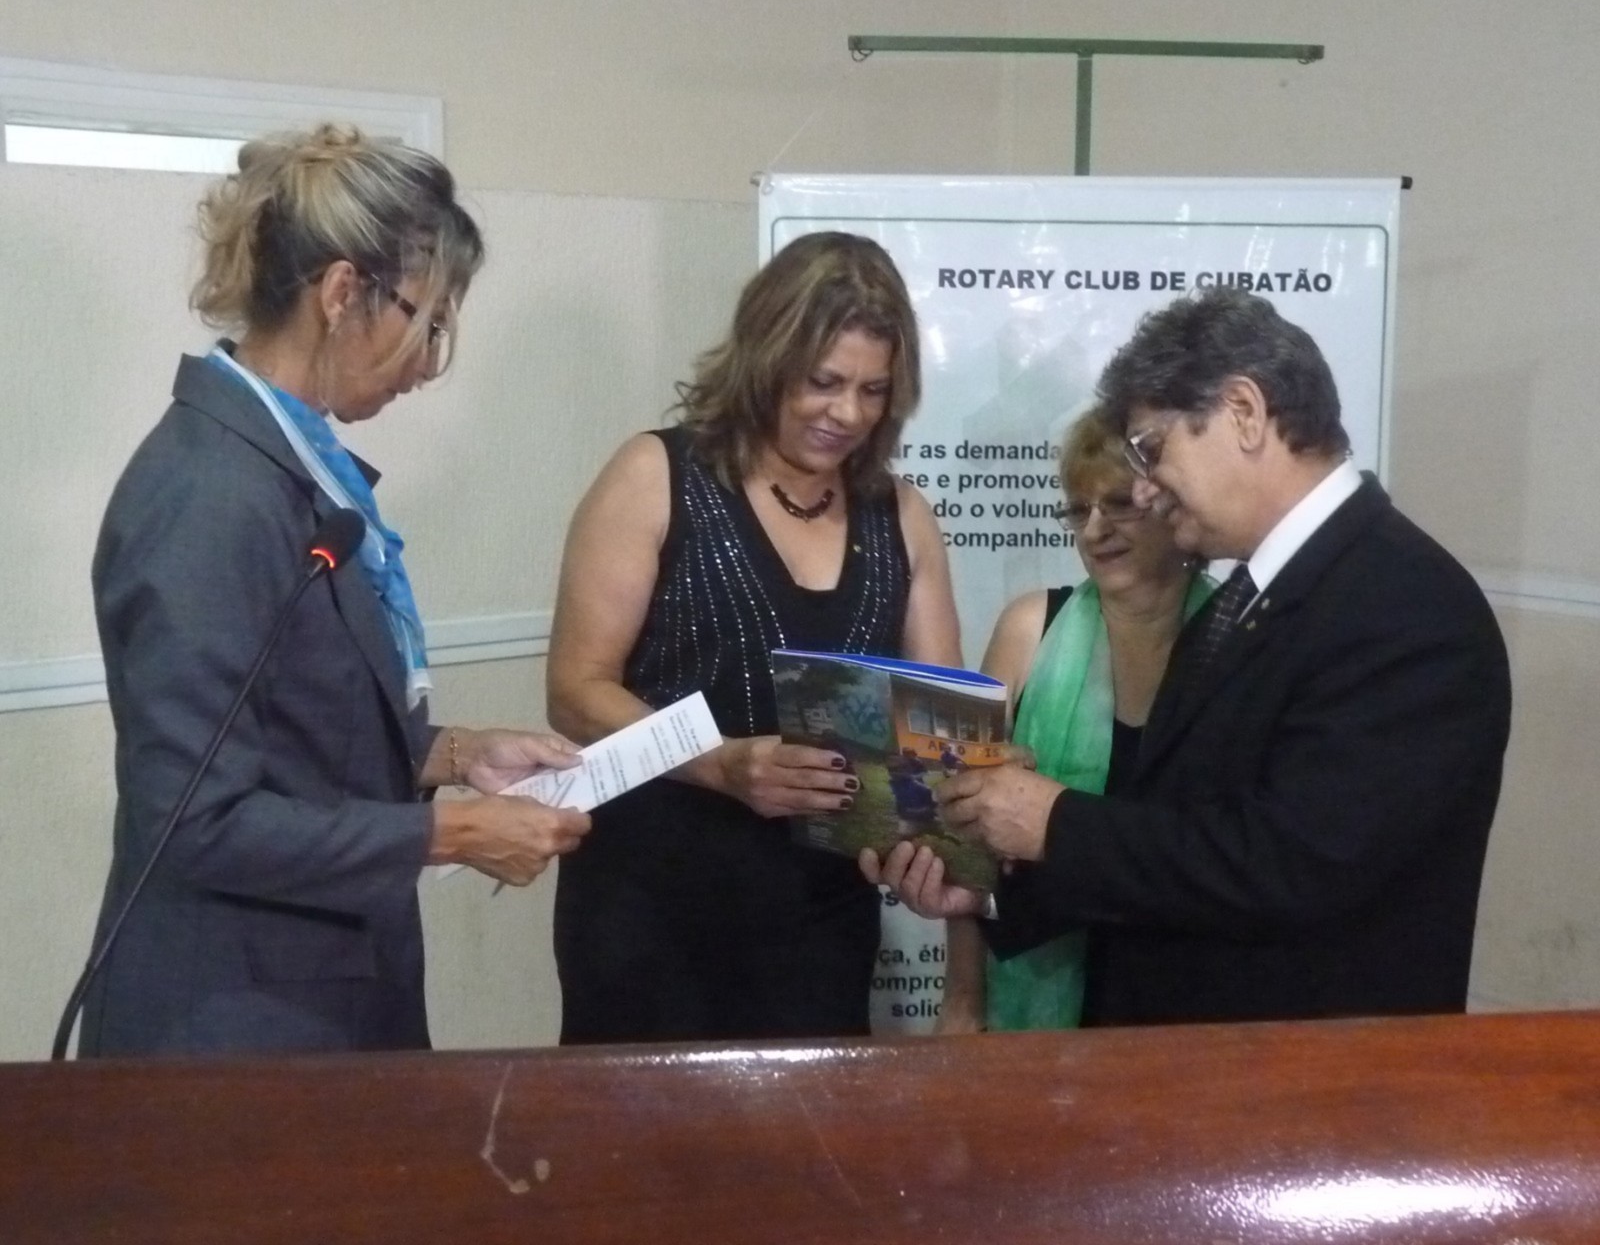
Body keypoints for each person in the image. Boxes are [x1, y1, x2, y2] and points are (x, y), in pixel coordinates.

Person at [870, 285, 1512, 1026]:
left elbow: (1292, 866)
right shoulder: (1253, 596)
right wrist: (990, 894)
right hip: (1193, 1060)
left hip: (1311, 1075)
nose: (1146, 489)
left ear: (1243, 412)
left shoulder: (1406, 605)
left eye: (1152, 449)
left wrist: (1054, 822)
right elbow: (1175, 841)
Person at [82, 125, 591, 1057]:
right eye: (426, 324)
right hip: (236, 1023)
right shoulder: (209, 495)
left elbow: (297, 725)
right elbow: (195, 819)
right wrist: (449, 836)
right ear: (343, 292)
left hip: (317, 984)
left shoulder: (288, 464)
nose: (427, 364)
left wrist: (454, 754)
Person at [548, 231, 960, 1043]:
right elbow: (574, 693)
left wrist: (937, 823)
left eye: (873, 390)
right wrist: (720, 763)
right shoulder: (656, 475)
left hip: (821, 920)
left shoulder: (902, 515)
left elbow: (936, 731)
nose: (848, 413)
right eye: (823, 382)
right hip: (649, 910)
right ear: (766, 359)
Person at [939, 407, 1212, 1033]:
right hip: (1032, 994)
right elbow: (963, 834)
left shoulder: (1237, 638)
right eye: (1077, 509)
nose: (1094, 529)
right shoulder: (1028, 628)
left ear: (1171, 503)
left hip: (1185, 995)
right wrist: (962, 1000)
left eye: (1117, 505)